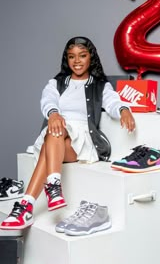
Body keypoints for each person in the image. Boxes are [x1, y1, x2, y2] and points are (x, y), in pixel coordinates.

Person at [0, 36, 135, 230]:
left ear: (91, 58)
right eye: (72, 56)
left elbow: (112, 101)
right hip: (57, 135)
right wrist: (53, 113)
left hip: (81, 143)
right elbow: (47, 101)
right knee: (54, 134)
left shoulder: (99, 85)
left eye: (82, 55)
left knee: (53, 136)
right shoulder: (57, 83)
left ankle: (28, 204)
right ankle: (39, 196)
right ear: (67, 59)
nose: (77, 61)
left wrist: (123, 110)